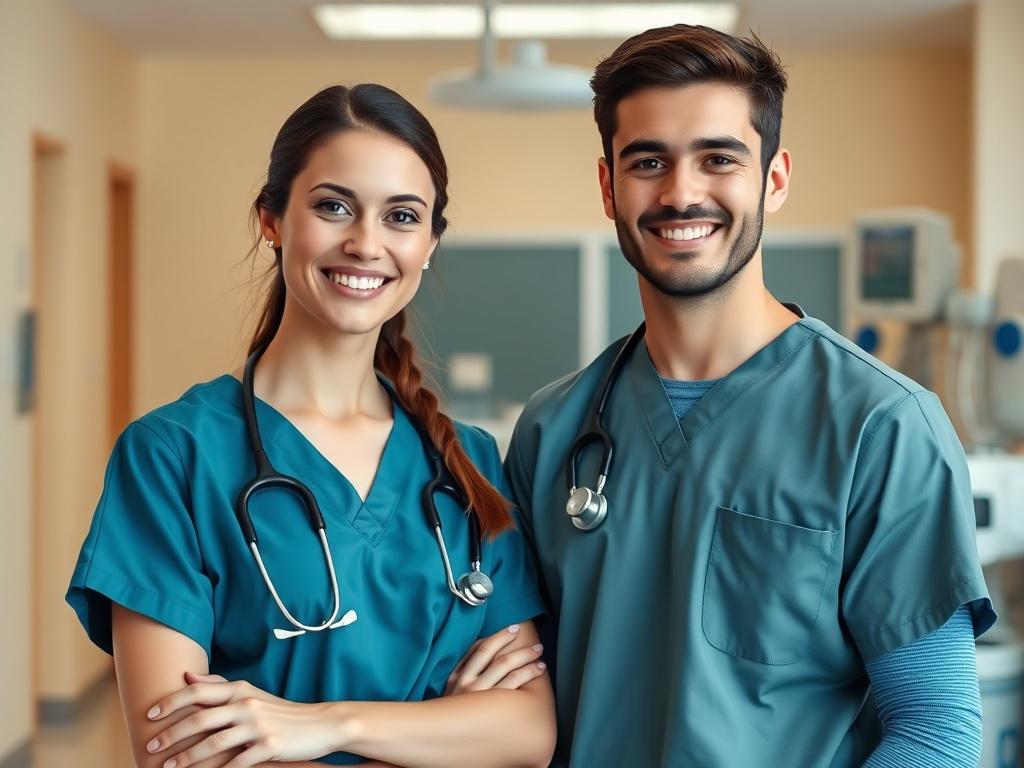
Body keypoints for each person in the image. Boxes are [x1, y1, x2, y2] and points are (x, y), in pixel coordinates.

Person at [505, 24, 996, 768]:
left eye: (718, 158)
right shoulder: (553, 431)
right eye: (648, 161)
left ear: (774, 177)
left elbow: (935, 731)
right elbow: (518, 700)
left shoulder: (881, 427)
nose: (681, 192)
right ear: (609, 187)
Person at [66, 84, 555, 768]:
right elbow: (176, 753)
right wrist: (447, 735)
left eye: (402, 216)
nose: (365, 243)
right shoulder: (172, 455)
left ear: (430, 243)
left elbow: (528, 733)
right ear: (271, 219)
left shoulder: (465, 462)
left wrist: (324, 725)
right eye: (333, 207)